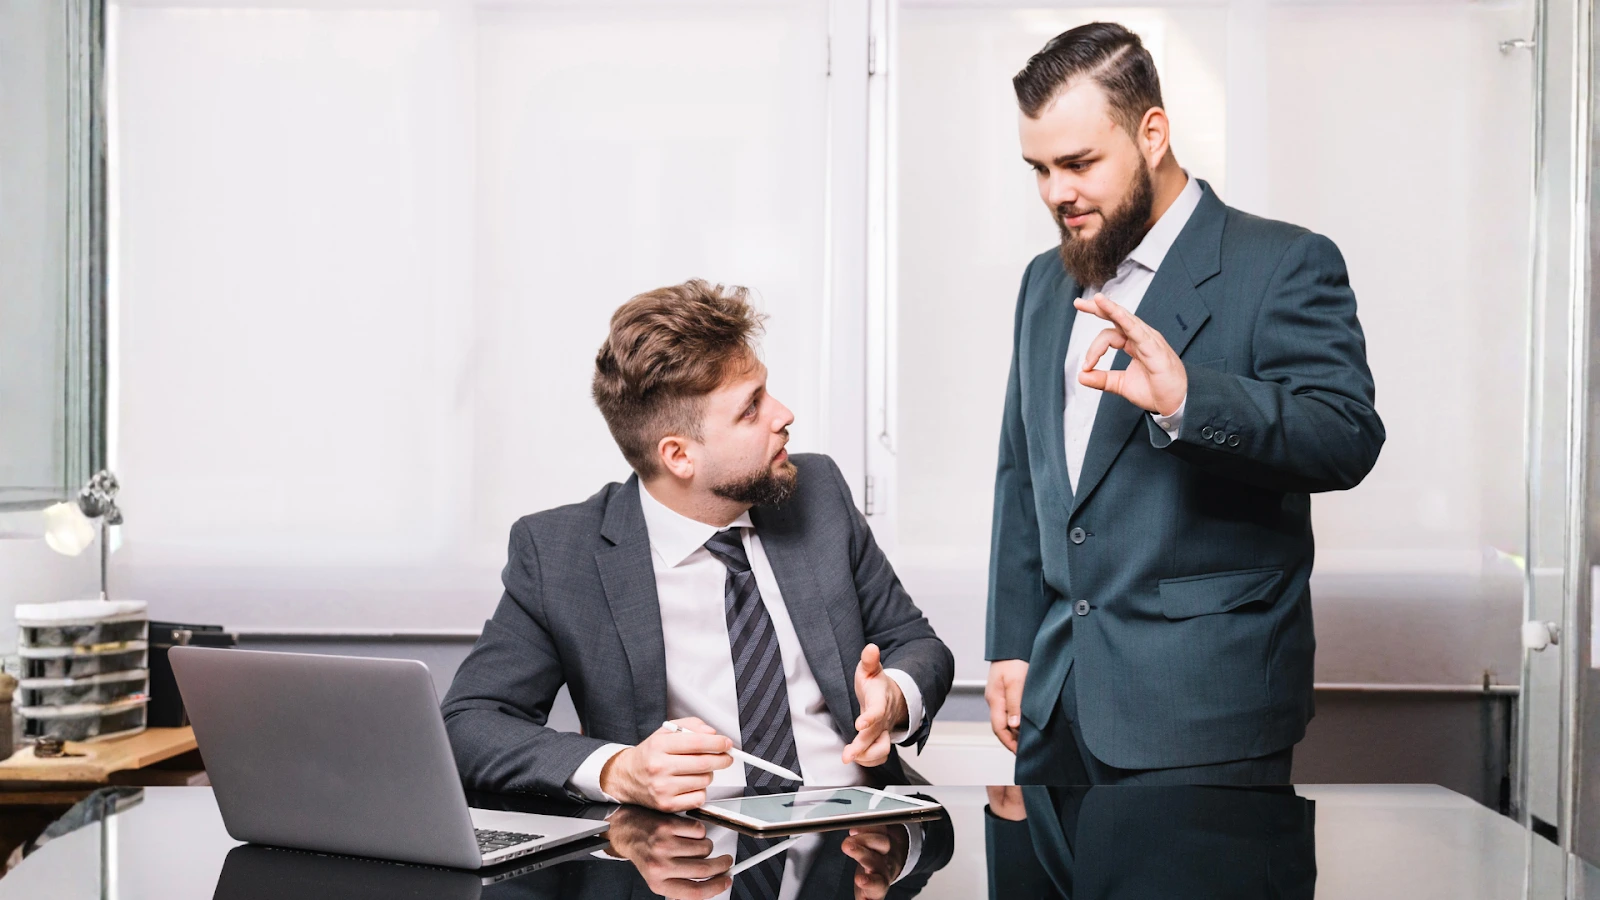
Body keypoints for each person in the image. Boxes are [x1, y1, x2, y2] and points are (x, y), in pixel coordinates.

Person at [984, 22, 1385, 785]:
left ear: (1154, 134)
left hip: (1205, 716)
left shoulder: (1284, 262)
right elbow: (1021, 471)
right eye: (1038, 169)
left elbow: (1346, 435)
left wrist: (1188, 400)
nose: (1056, 192)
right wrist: (1010, 644)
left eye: (1079, 163)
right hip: (1054, 707)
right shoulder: (1044, 282)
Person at [444, 279, 954, 812]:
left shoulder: (817, 492)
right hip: (683, 859)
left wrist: (894, 695)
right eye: (751, 408)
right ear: (678, 456)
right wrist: (619, 769)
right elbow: (470, 723)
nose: (784, 415)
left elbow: (915, 642)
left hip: (857, 834)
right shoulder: (559, 554)